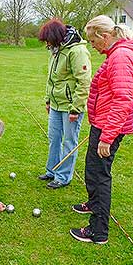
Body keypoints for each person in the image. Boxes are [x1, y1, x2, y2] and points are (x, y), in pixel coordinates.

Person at [69, 15, 133, 244]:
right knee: (92, 170)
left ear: (105, 36)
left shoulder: (121, 57)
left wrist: (107, 137)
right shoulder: (116, 54)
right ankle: (92, 204)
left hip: (108, 127)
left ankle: (98, 231)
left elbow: (123, 100)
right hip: (103, 124)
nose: (92, 46)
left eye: (93, 41)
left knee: (99, 175)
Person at [37, 19, 92, 189]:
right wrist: (48, 99)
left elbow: (84, 82)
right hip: (55, 105)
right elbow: (51, 79)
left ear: (55, 37)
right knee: (54, 139)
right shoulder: (55, 50)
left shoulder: (77, 51)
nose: (47, 44)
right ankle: (52, 170)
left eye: (48, 40)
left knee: (69, 141)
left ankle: (63, 176)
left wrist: (75, 108)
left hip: (71, 107)